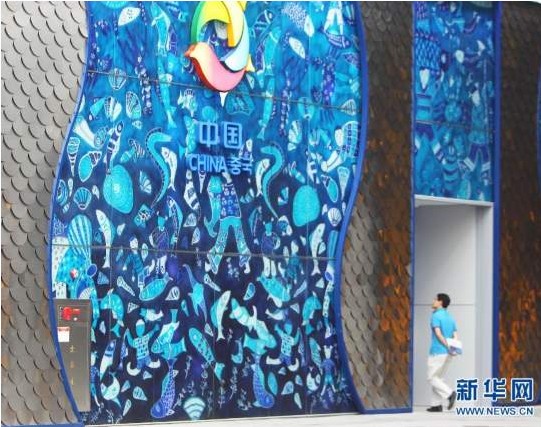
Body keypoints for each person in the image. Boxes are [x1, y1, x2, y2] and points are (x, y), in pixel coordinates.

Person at [427, 293, 458, 412]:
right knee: (438, 378)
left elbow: (438, 334)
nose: (433, 301)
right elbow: (455, 335)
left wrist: (446, 345)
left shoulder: (435, 316)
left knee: (431, 378)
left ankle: (450, 394)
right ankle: (436, 405)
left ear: (440, 302)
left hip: (438, 351)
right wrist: (452, 348)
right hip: (449, 353)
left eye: (435, 299)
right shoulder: (450, 317)